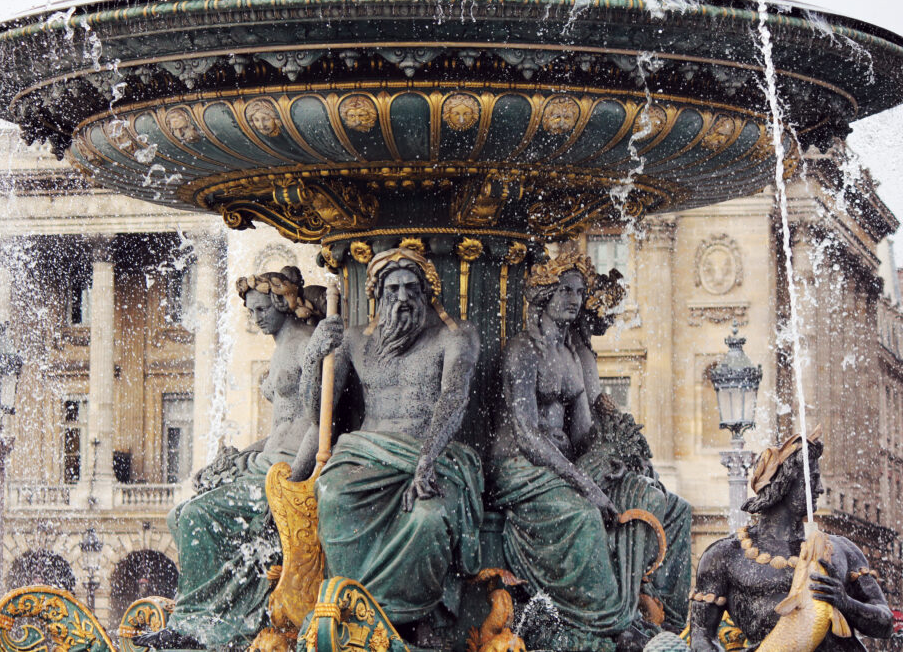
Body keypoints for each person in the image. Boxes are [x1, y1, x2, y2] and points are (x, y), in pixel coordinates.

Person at [488, 244, 691, 650]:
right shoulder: (522, 351)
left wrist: (612, 458)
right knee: (583, 515)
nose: (574, 300)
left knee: (669, 505)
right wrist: (585, 482)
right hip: (520, 467)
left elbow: (582, 435)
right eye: (565, 290)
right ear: (545, 294)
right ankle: (609, 624)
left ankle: (666, 616)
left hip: (563, 465)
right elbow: (527, 435)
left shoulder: (573, 358)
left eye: (579, 293)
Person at [135, 266, 324, 650]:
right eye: (250, 312)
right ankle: (209, 613)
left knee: (195, 516)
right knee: (178, 514)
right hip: (266, 460)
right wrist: (241, 454)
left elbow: (321, 423)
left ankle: (197, 625)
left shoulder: (308, 345)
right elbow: (282, 426)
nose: (255, 319)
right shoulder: (282, 349)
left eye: (260, 310)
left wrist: (292, 484)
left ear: (282, 302)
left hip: (285, 469)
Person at [305, 247, 483, 648]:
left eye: (411, 288)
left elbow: (454, 398)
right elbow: (319, 414)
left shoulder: (456, 336)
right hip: (367, 453)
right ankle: (351, 609)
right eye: (392, 289)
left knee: (427, 518)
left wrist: (426, 460)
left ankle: (413, 618)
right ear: (378, 295)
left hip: (430, 453)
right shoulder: (353, 341)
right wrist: (313, 355)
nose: (402, 297)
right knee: (331, 496)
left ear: (426, 293)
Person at [689, 432, 893, 651]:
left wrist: (846, 603)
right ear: (782, 484)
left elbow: (885, 624)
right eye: (812, 479)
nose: (820, 488)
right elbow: (701, 637)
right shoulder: (726, 555)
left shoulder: (841, 550)